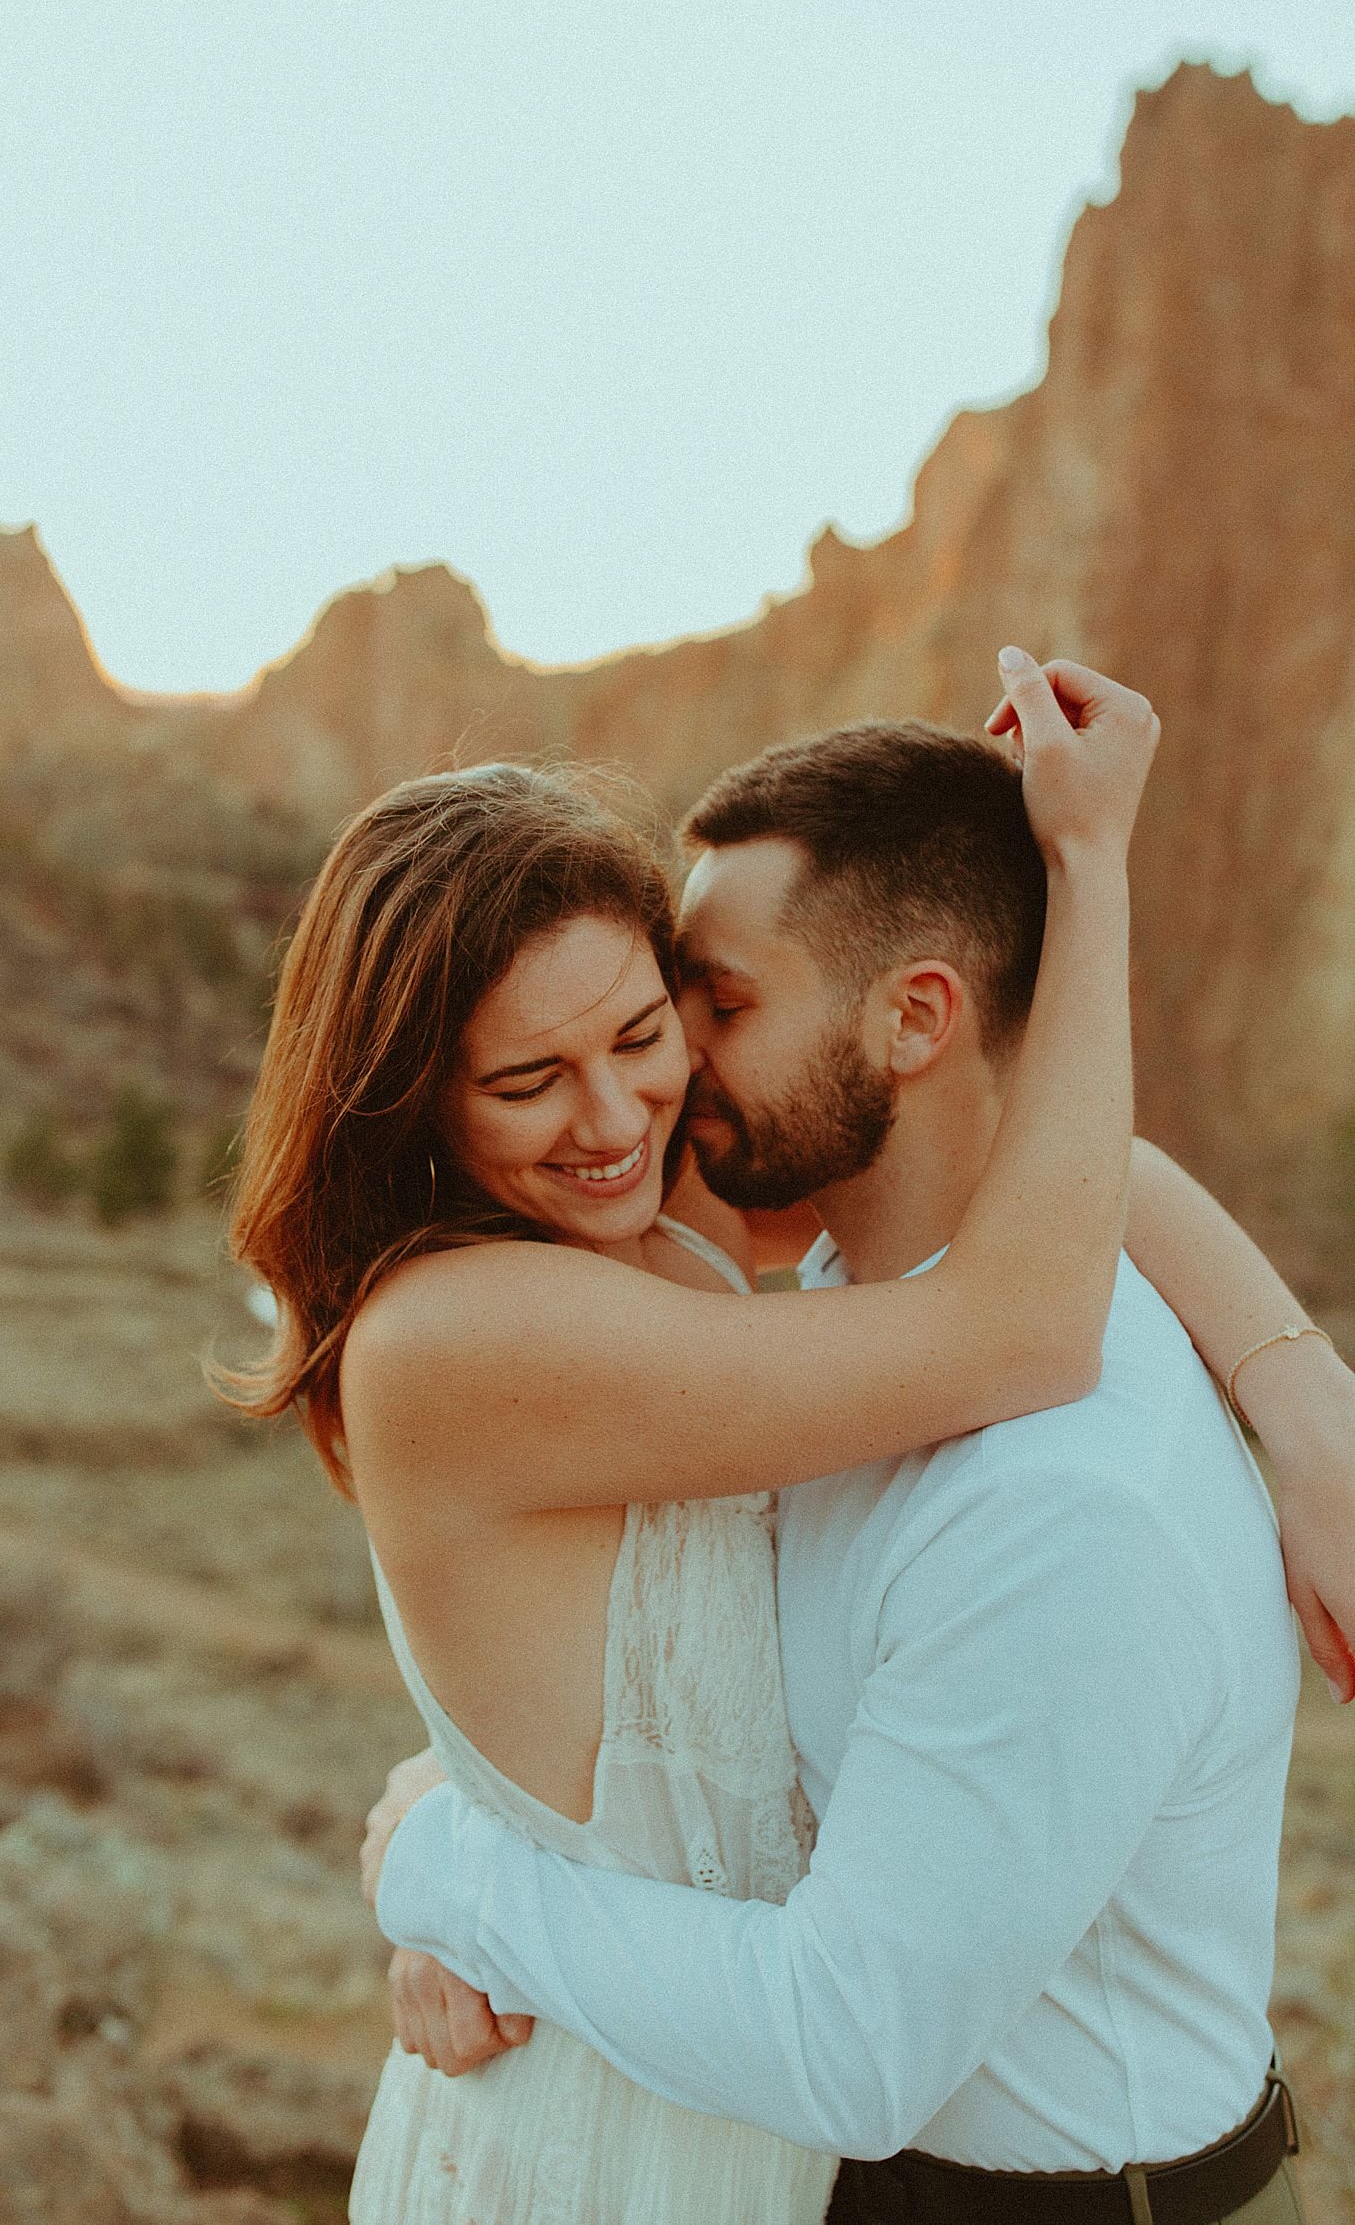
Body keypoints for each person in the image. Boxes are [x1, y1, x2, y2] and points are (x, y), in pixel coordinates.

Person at [366, 672, 1355, 2225]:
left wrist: (459, 1873)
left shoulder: (1057, 1493)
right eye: (533, 1071)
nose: (654, 1083)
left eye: (699, 1013)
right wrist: (474, 1802)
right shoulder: (805, 1280)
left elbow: (850, 2038)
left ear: (911, 1019)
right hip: (767, 2152)